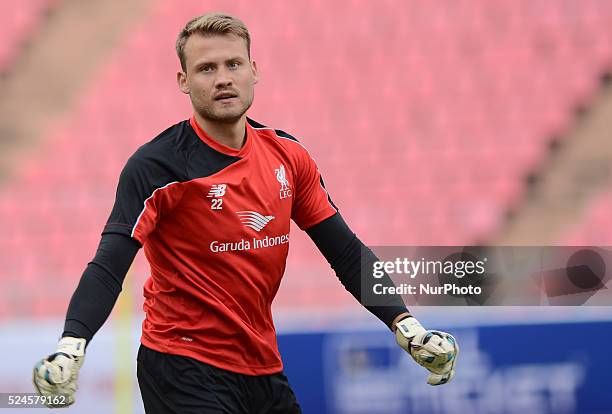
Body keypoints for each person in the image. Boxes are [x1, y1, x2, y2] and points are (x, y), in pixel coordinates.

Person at [33, 13, 458, 413]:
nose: (223, 79)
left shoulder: (289, 156)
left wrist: (405, 325)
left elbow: (346, 253)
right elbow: (109, 266)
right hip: (182, 364)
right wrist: (73, 343)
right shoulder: (156, 167)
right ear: (183, 81)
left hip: (262, 365)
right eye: (206, 69)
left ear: (254, 70)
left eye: (233, 64)